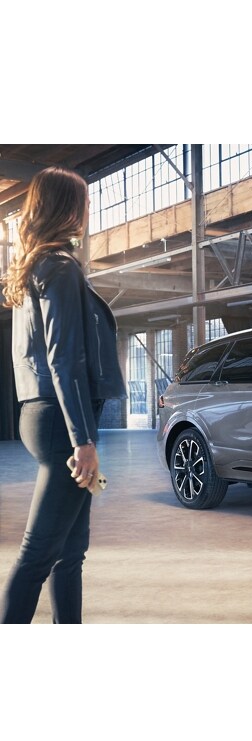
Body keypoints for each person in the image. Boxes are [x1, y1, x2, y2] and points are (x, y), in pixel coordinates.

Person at [0, 166, 126, 623]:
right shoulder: (60, 267)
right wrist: (83, 441)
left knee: (70, 552)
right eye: (85, 202)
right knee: (38, 555)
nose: (89, 210)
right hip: (62, 423)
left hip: (41, 414)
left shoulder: (37, 265)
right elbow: (65, 358)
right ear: (68, 208)